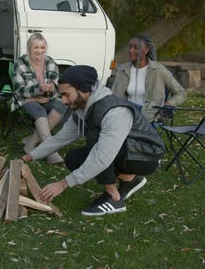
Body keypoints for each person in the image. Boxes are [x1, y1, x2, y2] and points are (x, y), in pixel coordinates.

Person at [20, 65, 166, 216]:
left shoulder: (114, 112)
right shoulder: (81, 109)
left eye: (66, 95)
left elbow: (102, 157)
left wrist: (63, 184)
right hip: (127, 151)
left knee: (95, 139)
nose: (63, 101)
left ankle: (114, 199)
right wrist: (26, 157)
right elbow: (59, 139)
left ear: (84, 90)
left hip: (146, 155)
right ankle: (130, 178)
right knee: (73, 159)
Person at [12, 33, 66, 164]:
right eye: (36, 47)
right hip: (26, 100)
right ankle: (51, 152)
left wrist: (52, 87)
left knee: (62, 105)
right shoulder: (20, 64)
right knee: (39, 111)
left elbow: (58, 85)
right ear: (29, 48)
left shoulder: (50, 62)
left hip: (46, 98)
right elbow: (20, 90)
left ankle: (31, 141)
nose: (39, 51)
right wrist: (38, 88)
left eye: (42, 47)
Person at [111, 35, 186, 122]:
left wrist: (167, 104)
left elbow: (181, 94)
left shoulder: (159, 70)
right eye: (130, 47)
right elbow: (114, 95)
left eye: (136, 48)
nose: (130, 50)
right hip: (125, 114)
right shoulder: (122, 69)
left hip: (148, 116)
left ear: (146, 50)